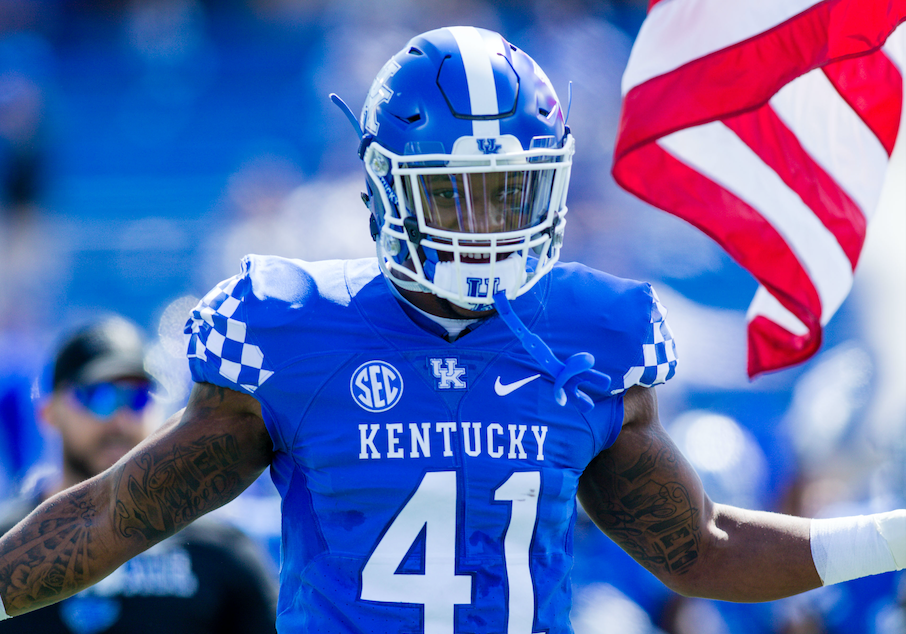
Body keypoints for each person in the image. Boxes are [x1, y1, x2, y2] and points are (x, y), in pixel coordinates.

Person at [0, 26, 903, 634]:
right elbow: (120, 510)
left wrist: (892, 535)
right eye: (450, 194)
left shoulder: (593, 338)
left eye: (508, 191)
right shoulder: (290, 329)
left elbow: (699, 547)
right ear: (385, 188)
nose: (483, 225)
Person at [0, 316, 278, 633]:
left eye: (138, 397)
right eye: (98, 397)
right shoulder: (9, 542)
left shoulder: (222, 551)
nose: (121, 419)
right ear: (48, 413)